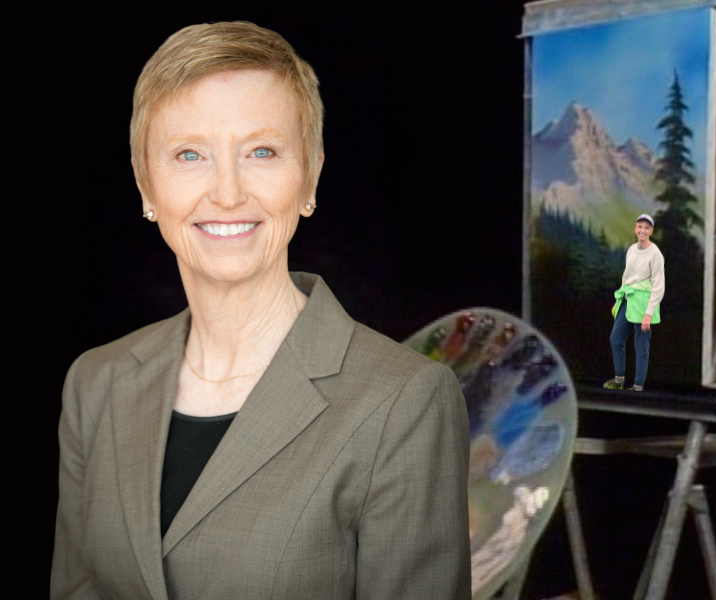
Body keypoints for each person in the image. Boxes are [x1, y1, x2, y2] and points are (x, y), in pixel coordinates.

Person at [51, 21, 471, 600]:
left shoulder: (404, 401)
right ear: (146, 184)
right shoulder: (94, 382)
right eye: (189, 153)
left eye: (262, 151)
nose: (227, 192)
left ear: (310, 176)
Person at [603, 214, 665, 392]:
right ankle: (619, 379)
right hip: (628, 298)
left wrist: (648, 313)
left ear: (651, 231)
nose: (642, 231)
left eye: (646, 228)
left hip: (643, 302)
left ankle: (637, 386)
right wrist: (618, 300)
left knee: (641, 346)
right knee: (616, 339)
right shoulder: (631, 250)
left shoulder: (655, 254)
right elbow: (626, 278)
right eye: (640, 227)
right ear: (635, 228)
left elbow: (659, 286)